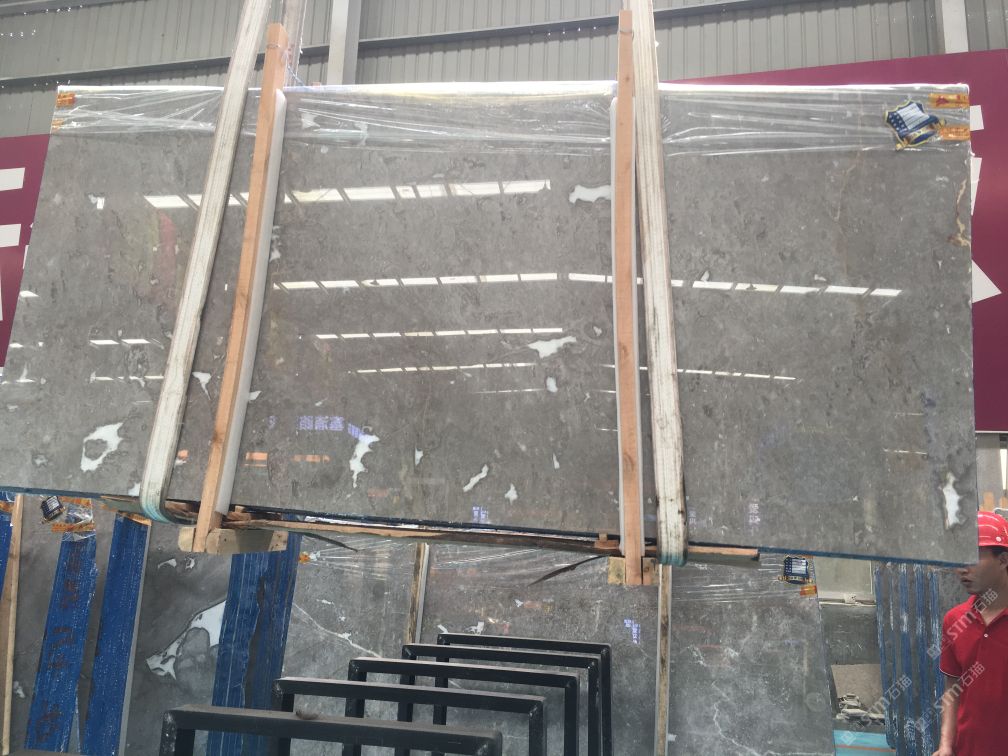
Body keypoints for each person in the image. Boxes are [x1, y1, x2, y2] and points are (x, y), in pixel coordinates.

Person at [933, 511, 1008, 756]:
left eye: (972, 559)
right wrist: (946, 744)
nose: (961, 570)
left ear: (1003, 560)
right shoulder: (954, 621)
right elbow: (953, 687)